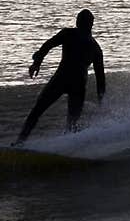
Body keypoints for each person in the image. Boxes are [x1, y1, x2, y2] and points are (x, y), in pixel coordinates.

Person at [16, 8, 105, 144]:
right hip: (78, 85)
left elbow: (48, 45)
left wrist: (36, 63)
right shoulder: (95, 48)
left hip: (62, 80)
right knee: (71, 122)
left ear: (78, 22)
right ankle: (68, 148)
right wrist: (101, 101)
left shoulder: (69, 34)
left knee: (37, 111)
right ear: (91, 24)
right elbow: (100, 80)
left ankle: (20, 142)